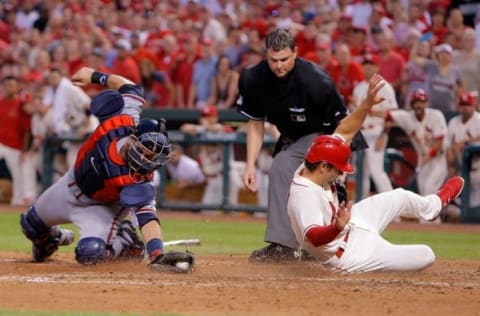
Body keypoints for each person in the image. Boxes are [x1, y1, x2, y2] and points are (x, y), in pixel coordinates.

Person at [19, 67, 194, 272]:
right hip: (70, 184)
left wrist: (156, 253)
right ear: (133, 138)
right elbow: (130, 87)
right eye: (144, 151)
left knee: (90, 254)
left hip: (100, 208)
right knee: (31, 224)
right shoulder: (123, 120)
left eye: (152, 157)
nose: (146, 159)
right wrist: (95, 76)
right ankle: (53, 240)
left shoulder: (139, 178)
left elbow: (147, 217)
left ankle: (127, 239)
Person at [287, 76, 465, 273]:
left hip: (353, 222)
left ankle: (433, 206)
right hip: (349, 254)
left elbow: (345, 131)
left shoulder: (315, 158)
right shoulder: (303, 195)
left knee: (400, 196)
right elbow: (313, 236)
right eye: (338, 168)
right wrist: (336, 227)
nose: (341, 172)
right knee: (426, 254)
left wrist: (367, 104)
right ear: (323, 167)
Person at [237, 28, 367, 262]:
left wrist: (338, 165)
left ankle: (309, 245)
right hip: (293, 137)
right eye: (273, 59)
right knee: (282, 171)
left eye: (284, 59)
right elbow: (255, 123)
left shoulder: (316, 80)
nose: (279, 65)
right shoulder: (253, 78)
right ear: (266, 54)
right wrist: (249, 164)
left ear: (296, 53)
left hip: (330, 134)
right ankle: (288, 245)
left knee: (290, 169)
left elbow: (343, 125)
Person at [351, 54, 397, 198]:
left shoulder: (385, 87)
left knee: (376, 172)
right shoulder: (358, 88)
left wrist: (383, 135)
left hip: (376, 132)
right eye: (365, 64)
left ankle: (394, 208)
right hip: (360, 133)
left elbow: (393, 115)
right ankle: (362, 206)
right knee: (360, 173)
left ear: (377, 67)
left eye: (371, 64)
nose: (368, 67)